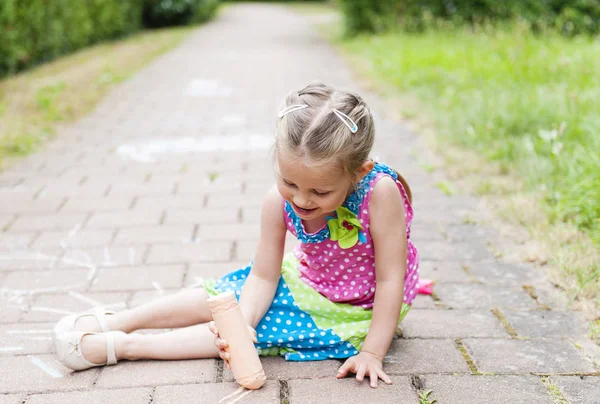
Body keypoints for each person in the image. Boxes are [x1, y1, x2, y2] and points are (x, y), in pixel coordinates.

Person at [53, 82, 419, 388]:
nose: (302, 199)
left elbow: (391, 278)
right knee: (229, 295)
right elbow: (263, 275)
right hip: (310, 279)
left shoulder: (379, 193)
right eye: (289, 182)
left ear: (358, 172)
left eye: (320, 193)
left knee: (270, 325)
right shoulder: (278, 201)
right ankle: (122, 319)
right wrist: (242, 321)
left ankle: (127, 346)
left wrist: (372, 351)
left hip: (355, 309)